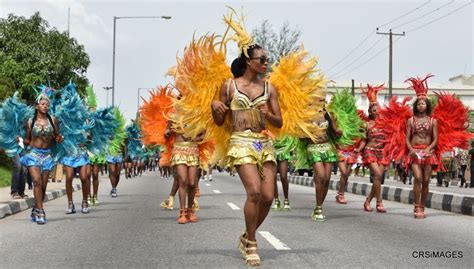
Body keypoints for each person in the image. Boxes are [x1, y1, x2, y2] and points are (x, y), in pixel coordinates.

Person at [212, 35, 282, 266]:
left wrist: (267, 115)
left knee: (269, 197)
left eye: (267, 59)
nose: (265, 63)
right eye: (261, 59)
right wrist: (215, 106)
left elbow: (279, 122)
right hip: (240, 141)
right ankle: (252, 243)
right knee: (254, 192)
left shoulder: (270, 88)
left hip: (264, 142)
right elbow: (220, 122)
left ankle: (245, 235)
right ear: (248, 61)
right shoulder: (229, 86)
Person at [20, 91, 62, 224]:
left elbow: (56, 136)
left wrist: (59, 138)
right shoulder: (30, 121)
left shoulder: (53, 120)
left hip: (47, 156)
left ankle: (36, 207)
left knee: (43, 186)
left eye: (47, 104)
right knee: (37, 182)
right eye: (42, 104)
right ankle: (41, 211)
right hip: (33, 154)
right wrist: (19, 140)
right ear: (37, 106)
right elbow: (27, 140)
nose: (45, 106)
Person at [405, 79, 439, 219]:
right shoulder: (411, 120)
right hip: (414, 152)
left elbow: (435, 138)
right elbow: (406, 138)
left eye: (423, 103)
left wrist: (428, 149)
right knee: (417, 178)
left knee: (426, 180)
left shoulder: (433, 121)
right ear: (416, 105)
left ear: (427, 105)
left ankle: (422, 206)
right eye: (418, 103)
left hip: (428, 152)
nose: (421, 105)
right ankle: (416, 205)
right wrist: (411, 149)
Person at [356, 84, 388, 213]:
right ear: (370, 111)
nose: (377, 112)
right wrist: (358, 150)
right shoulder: (366, 124)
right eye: (375, 110)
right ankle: (379, 202)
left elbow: (389, 139)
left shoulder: (386, 124)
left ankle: (368, 201)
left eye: (379, 109)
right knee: (378, 174)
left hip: (382, 152)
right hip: (369, 151)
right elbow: (364, 140)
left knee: (378, 178)